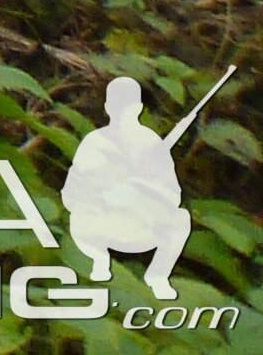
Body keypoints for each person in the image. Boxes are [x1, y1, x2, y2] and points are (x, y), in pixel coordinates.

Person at [65, 77, 195, 297]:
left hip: (141, 224)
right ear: (107, 108)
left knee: (181, 218)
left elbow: (173, 196)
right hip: (101, 223)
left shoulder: (152, 144)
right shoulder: (95, 142)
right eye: (117, 106)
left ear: (139, 108)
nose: (123, 113)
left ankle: (158, 277)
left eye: (129, 106)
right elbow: (72, 194)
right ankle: (99, 261)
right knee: (78, 220)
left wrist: (145, 183)